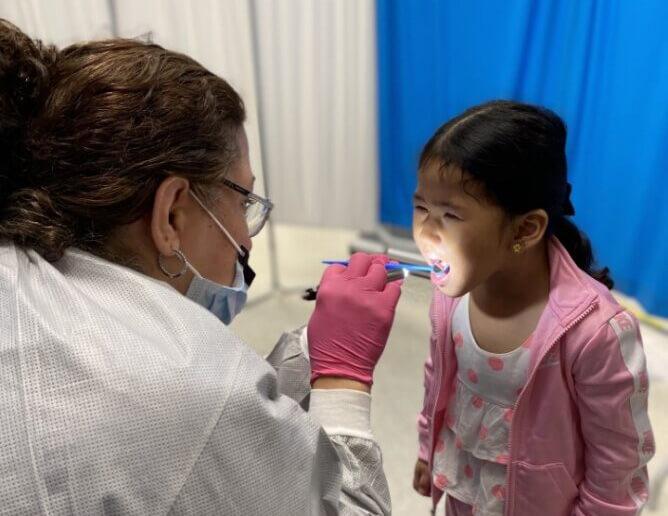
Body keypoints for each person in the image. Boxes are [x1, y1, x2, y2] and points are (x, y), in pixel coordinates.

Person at [0, 19, 402, 514]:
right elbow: (208, 422)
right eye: (242, 201)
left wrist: (307, 358)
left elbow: (227, 441)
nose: (244, 236)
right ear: (171, 213)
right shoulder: (185, 390)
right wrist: (343, 379)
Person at [410, 100, 654, 515]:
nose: (426, 231)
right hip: (465, 490)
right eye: (421, 208)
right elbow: (438, 378)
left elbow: (618, 463)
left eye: (450, 214)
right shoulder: (450, 296)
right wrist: (427, 444)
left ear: (526, 228)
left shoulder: (593, 332)